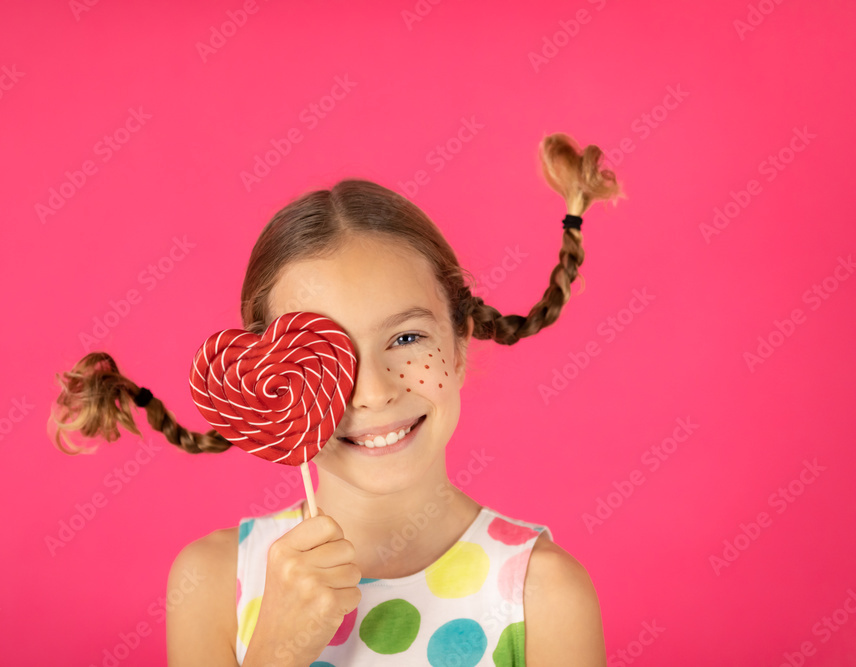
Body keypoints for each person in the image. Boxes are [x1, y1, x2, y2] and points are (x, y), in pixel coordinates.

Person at [48, 133, 624, 666]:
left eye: (405, 338)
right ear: (267, 383)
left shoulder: (542, 594)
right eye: (322, 356)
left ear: (460, 345)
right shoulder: (216, 582)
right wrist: (277, 647)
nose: (372, 392)